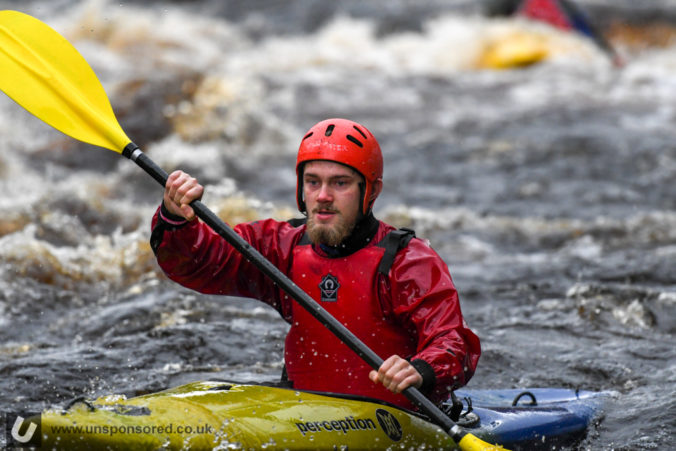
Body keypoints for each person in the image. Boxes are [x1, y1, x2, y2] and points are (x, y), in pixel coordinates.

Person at [150, 118, 481, 409]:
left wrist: (421, 369)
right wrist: (175, 219)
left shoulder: (408, 262)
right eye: (313, 182)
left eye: (340, 183)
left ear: (371, 191)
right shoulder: (280, 247)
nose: (323, 195)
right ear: (301, 189)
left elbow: (454, 344)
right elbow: (198, 263)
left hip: (396, 423)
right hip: (304, 417)